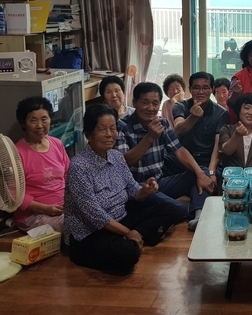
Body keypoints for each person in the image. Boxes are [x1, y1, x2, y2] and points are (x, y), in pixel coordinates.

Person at [64, 104, 181, 275]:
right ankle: (135, 239)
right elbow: (95, 215)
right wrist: (129, 232)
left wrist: (146, 190)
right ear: (89, 135)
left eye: (113, 129)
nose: (109, 134)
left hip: (121, 218)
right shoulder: (79, 167)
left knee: (172, 209)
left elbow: (133, 190)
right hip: (90, 233)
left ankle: (133, 238)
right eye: (102, 129)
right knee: (127, 255)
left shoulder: (116, 156)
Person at [116, 82, 215, 232]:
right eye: (145, 102)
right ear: (134, 103)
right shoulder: (122, 126)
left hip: (159, 182)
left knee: (200, 171)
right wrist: (149, 138)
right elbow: (123, 163)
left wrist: (200, 173)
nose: (151, 108)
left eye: (155, 103)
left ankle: (198, 215)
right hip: (136, 189)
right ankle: (184, 210)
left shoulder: (162, 122)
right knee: (178, 208)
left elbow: (179, 150)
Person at [13, 97, 69, 232]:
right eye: (33, 120)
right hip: (33, 216)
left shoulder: (57, 144)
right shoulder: (16, 154)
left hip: (65, 209)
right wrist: (46, 209)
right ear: (23, 124)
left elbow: (69, 175)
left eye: (44, 119)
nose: (39, 125)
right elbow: (13, 193)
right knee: (76, 225)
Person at [172, 72, 229, 194]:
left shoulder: (221, 113)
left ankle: (198, 205)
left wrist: (211, 171)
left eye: (205, 88)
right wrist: (193, 117)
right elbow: (178, 130)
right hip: (182, 159)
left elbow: (217, 146)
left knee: (204, 183)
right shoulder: (180, 106)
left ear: (212, 89)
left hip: (205, 161)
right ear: (190, 89)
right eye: (196, 88)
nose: (201, 92)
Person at [220, 93, 252, 174]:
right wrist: (237, 135)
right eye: (246, 108)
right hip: (231, 178)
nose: (250, 112)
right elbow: (227, 151)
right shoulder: (227, 129)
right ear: (239, 110)